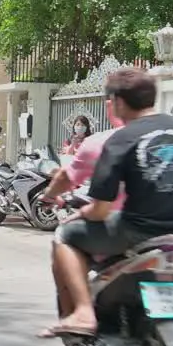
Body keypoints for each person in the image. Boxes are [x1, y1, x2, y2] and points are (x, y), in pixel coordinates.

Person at [46, 67, 173, 338]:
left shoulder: (121, 138)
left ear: (119, 103)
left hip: (135, 233)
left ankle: (83, 312)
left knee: (64, 236)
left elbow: (101, 210)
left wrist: (80, 215)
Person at [38, 99, 126, 324]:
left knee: (64, 236)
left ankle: (77, 313)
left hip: (123, 228)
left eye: (81, 124)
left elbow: (99, 205)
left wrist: (52, 197)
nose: (79, 127)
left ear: (111, 105)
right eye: (77, 124)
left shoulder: (104, 142)